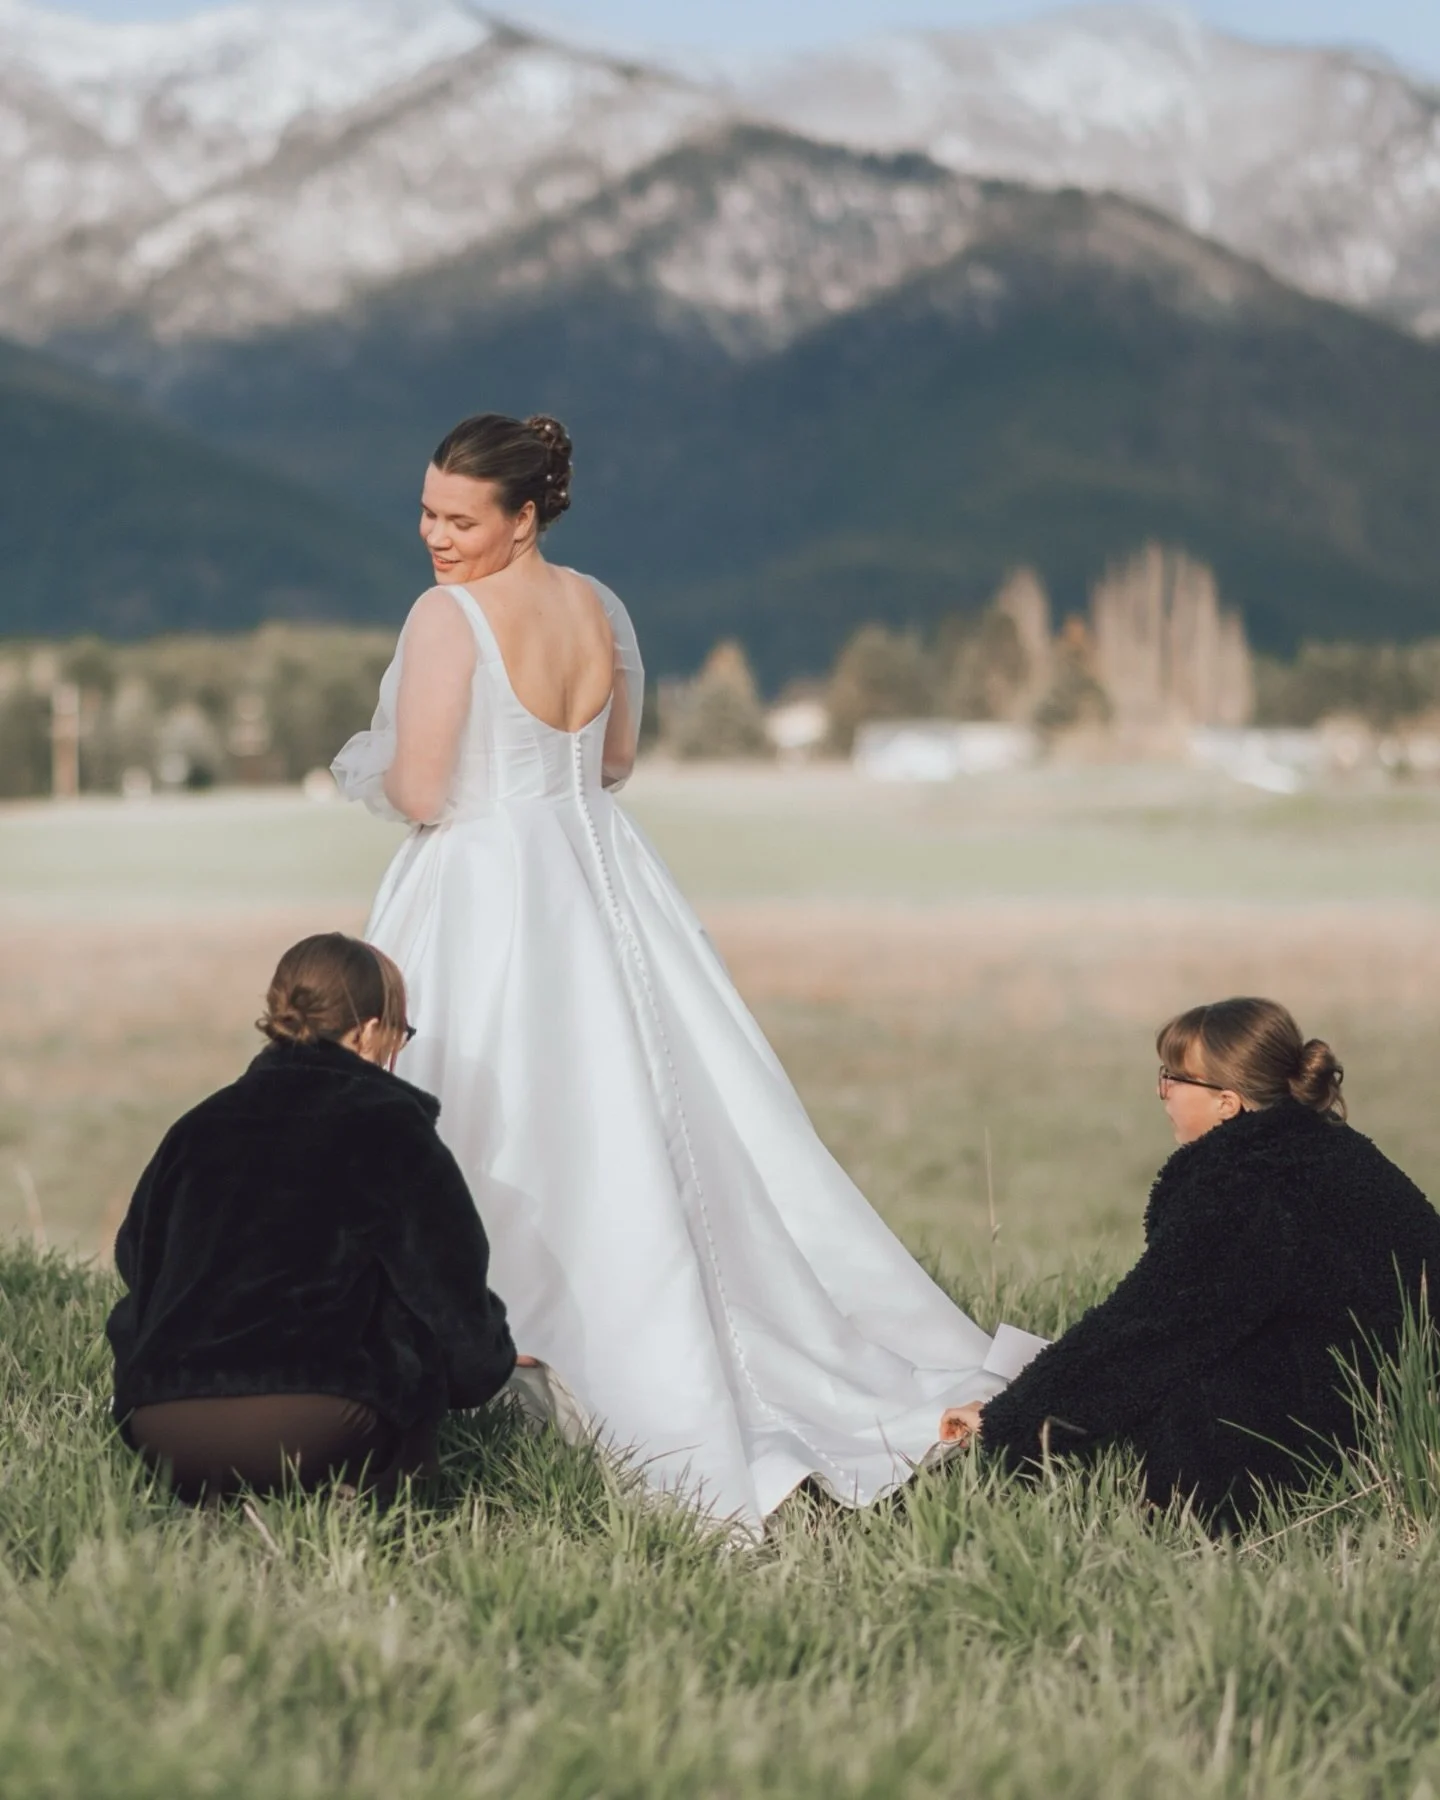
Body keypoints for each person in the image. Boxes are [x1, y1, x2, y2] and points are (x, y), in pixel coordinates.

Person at [332, 411, 1007, 1534]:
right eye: (427, 513)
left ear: (523, 517)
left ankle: (495, 1353)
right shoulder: (599, 606)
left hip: (486, 882)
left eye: (460, 520)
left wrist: (370, 763)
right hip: (600, 871)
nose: (435, 537)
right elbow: (616, 761)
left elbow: (422, 790)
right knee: (645, 1100)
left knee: (495, 1104)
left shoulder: (445, 619)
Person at [940, 998, 1440, 1527]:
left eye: (1173, 1078)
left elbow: (1143, 1331)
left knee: (1181, 1384)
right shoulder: (1332, 1150)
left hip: (1328, 1439)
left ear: (1227, 1102)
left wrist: (1004, 1422)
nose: (1163, 1093)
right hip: (1401, 1412)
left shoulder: (1243, 1183)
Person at [108, 933, 517, 1502]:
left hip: (161, 1427)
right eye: (400, 1031)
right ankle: (369, 1501)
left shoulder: (197, 1126)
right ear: (367, 1031)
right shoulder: (393, 1126)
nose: (398, 1046)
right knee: (408, 1325)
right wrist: (491, 1365)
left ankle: (219, 1503)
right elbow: (449, 1296)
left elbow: (135, 1260)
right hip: (311, 1425)